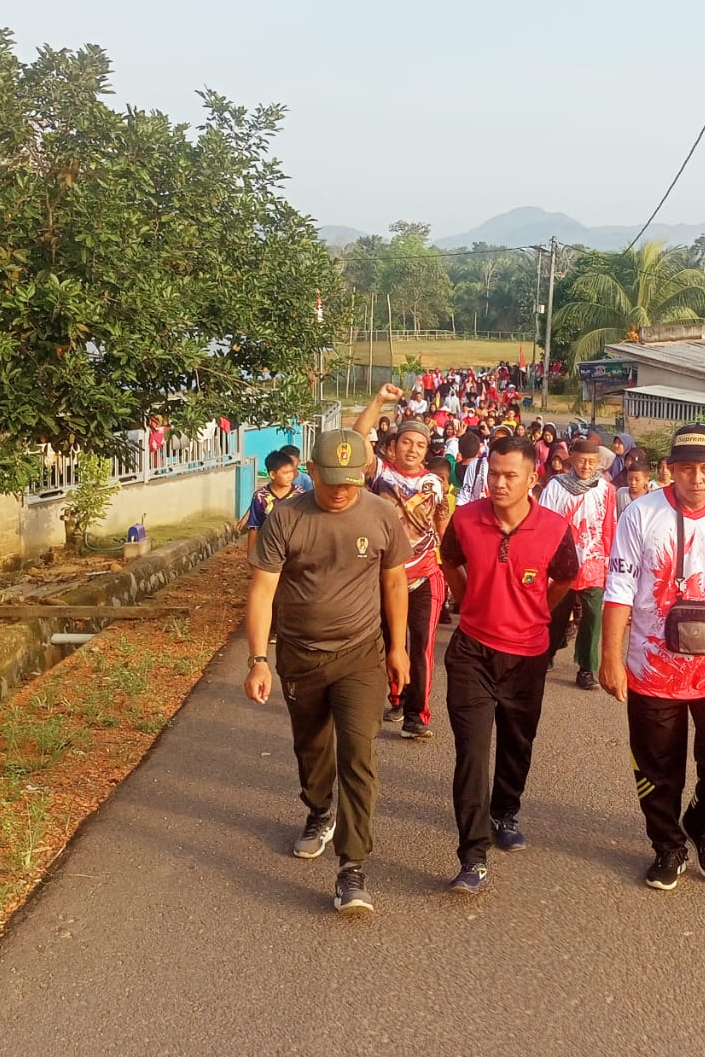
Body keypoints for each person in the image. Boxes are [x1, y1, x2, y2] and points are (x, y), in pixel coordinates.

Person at [243, 428, 410, 915]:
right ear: (311, 471)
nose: (340, 490)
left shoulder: (381, 515)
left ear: (363, 473)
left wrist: (398, 648)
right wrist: (258, 660)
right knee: (312, 747)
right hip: (301, 655)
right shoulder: (286, 518)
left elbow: (395, 582)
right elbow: (261, 591)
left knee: (358, 753)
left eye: (350, 481)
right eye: (331, 480)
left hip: (361, 654)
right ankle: (320, 809)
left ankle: (352, 867)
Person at [600, 423, 705, 891]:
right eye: (687, 469)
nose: (697, 478)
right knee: (657, 766)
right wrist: (610, 656)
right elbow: (619, 588)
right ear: (669, 470)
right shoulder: (640, 514)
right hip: (653, 668)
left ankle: (703, 823)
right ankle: (668, 845)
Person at [438, 436, 580, 894]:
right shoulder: (464, 519)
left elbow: (565, 578)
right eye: (494, 473)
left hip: (527, 655)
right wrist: (469, 600)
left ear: (531, 479)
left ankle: (505, 811)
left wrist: (536, 609)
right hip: (472, 652)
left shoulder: (555, 528)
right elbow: (450, 562)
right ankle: (472, 855)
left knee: (518, 743)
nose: (499, 483)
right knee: (472, 752)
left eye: (510, 476)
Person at [354, 385, 451, 739]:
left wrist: (450, 558)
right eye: (407, 442)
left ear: (427, 451)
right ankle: (395, 696)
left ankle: (417, 715)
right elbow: (355, 437)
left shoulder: (435, 482)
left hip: (425, 573)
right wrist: (378, 401)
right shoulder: (379, 473)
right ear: (394, 446)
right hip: (383, 575)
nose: (413, 449)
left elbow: (442, 521)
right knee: (385, 641)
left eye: (420, 445)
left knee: (422, 645)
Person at [538, 437, 616, 690]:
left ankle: (586, 668)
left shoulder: (606, 489)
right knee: (557, 614)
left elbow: (609, 526)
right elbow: (544, 521)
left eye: (592, 462)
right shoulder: (556, 486)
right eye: (582, 460)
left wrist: (608, 559)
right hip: (561, 561)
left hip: (593, 562)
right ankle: (547, 653)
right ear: (571, 459)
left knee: (593, 617)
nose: (586, 466)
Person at [243, 449, 299, 557]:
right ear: (272, 474)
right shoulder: (260, 497)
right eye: (285, 473)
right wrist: (250, 555)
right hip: (268, 551)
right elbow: (254, 527)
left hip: (294, 552)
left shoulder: (300, 495)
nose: (290, 476)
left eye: (292, 472)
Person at [616, 449, 653, 516]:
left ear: (646, 480)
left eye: (637, 480)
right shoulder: (621, 493)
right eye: (629, 479)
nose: (633, 483)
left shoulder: (652, 497)